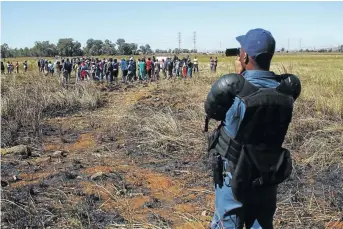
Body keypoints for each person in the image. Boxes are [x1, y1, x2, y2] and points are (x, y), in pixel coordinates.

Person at [204, 28, 301, 229]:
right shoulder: (286, 90)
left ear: (245, 56)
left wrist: (240, 76)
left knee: (227, 222)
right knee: (262, 222)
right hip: (267, 171)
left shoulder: (234, 88)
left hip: (234, 173)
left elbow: (214, 112)